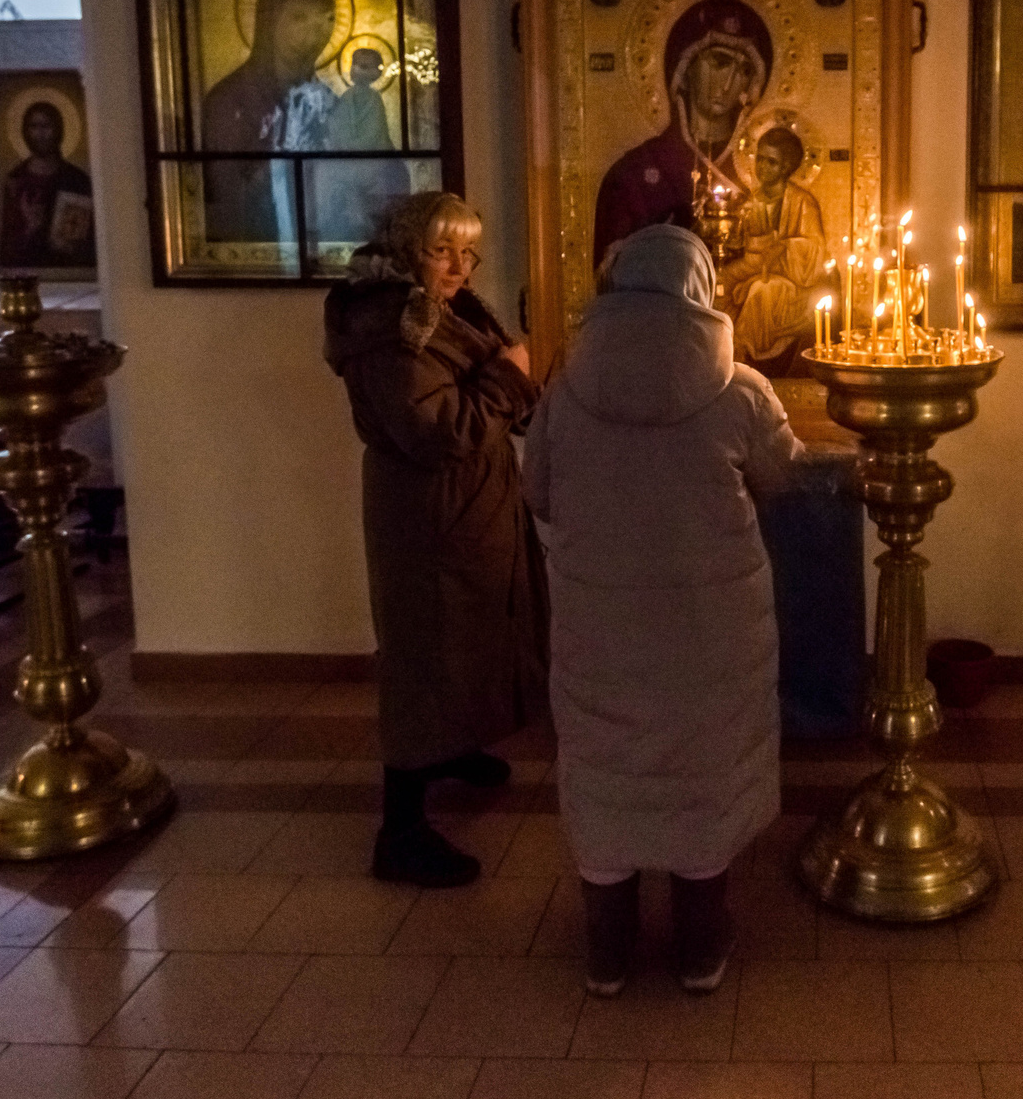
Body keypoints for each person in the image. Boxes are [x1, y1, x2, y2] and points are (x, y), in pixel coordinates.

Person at [525, 222, 802, 996]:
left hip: (598, 621)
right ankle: (699, 949)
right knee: (699, 771)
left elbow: (537, 489)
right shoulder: (741, 388)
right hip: (707, 627)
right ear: (699, 290)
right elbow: (782, 479)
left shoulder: (566, 388)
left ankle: (608, 953)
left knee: (608, 764)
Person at [323, 190, 545, 886]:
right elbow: (436, 429)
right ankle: (402, 829)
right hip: (428, 511)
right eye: (442, 249)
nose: (459, 265)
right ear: (406, 248)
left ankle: (450, 745)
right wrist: (512, 374)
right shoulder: (392, 327)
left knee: (471, 633)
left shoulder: (442, 309)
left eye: (468, 250)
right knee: (425, 652)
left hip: (465, 501)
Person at [592, 0, 771, 267]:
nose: (729, 84)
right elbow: (613, 282)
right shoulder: (632, 176)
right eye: (719, 62)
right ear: (683, 70)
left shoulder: (765, 173)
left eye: (744, 70)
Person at [203, 0, 340, 243]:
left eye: (326, 19)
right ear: (269, 22)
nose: (315, 31)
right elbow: (226, 200)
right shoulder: (228, 100)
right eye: (299, 17)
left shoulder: (329, 101)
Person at [715, 125, 827, 366]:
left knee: (760, 291)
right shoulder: (752, 199)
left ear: (787, 167)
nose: (763, 167)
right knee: (717, 283)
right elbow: (740, 241)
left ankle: (743, 353)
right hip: (754, 265)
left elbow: (815, 250)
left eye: (772, 162)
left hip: (790, 277)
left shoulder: (803, 203)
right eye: (760, 159)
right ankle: (717, 350)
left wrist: (785, 247)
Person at [0, 99, 96, 269]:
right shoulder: (15, 180)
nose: (40, 134)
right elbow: (8, 244)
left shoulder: (77, 179)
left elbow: (86, 241)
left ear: (58, 130)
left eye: (46, 126)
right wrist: (30, 228)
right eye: (34, 127)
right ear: (25, 131)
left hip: (67, 269)